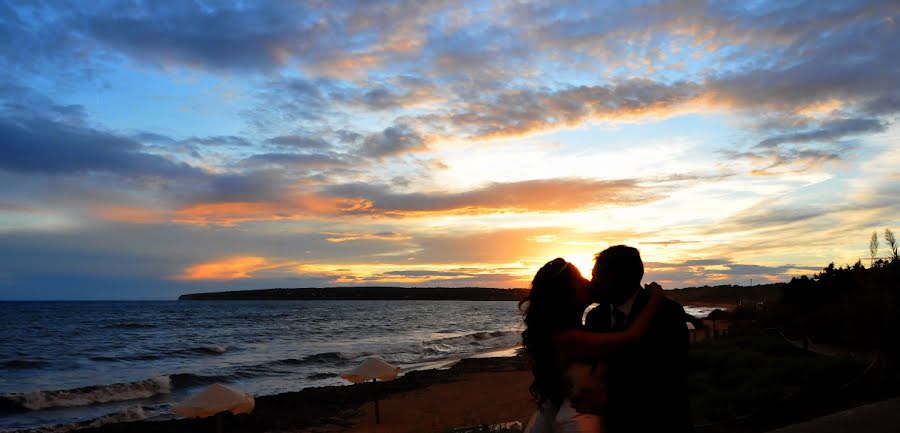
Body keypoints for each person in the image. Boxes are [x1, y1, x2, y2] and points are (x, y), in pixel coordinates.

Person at [519, 258, 665, 433]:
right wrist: (655, 299)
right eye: (580, 280)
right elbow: (631, 337)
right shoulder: (568, 339)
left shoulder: (582, 325)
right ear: (566, 294)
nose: (589, 282)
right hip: (578, 423)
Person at [570, 245, 694, 433]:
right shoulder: (596, 316)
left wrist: (613, 401)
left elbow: (673, 375)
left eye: (597, 275)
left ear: (619, 278)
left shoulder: (666, 312)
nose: (592, 282)